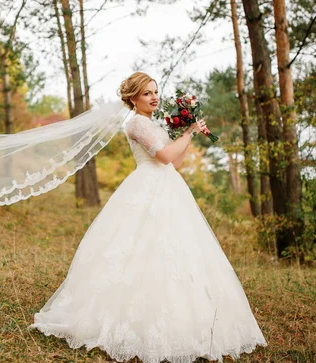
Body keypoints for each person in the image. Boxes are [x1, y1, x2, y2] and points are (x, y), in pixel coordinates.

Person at [28, 72, 267, 362]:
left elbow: (175, 161)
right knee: (140, 249)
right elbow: (164, 157)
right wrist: (189, 133)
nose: (154, 97)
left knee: (177, 251)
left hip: (169, 187)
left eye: (155, 91)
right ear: (133, 99)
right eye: (146, 93)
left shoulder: (151, 122)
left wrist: (185, 134)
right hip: (146, 187)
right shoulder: (136, 124)